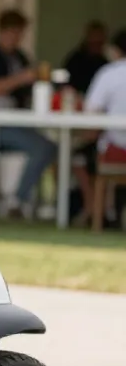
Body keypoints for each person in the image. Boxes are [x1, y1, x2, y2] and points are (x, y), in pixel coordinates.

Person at [0, 8, 57, 219]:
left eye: (19, 33)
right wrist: (20, 79)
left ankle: (34, 202)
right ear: (2, 31)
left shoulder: (20, 57)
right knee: (42, 147)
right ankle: (16, 200)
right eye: (13, 32)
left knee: (49, 146)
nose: (16, 38)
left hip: (16, 122)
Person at [77, 28, 126, 223]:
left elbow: (91, 111)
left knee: (78, 156)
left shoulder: (109, 73)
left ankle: (95, 211)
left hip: (116, 148)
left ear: (115, 50)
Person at [63, 20, 109, 95]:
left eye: (99, 42)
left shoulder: (106, 63)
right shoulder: (75, 61)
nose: (96, 44)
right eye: (94, 41)